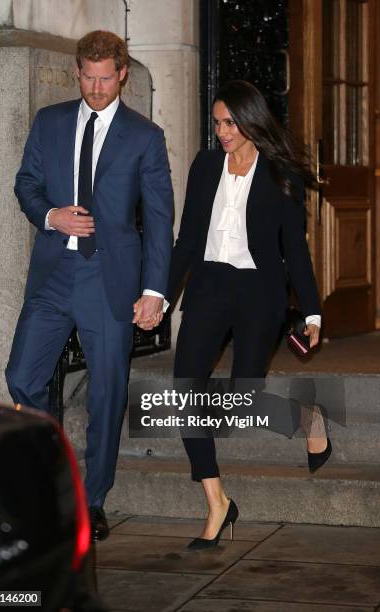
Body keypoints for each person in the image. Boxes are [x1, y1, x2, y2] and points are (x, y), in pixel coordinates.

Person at [5, 30, 173, 541]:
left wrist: (155, 290)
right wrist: (51, 215)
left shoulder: (145, 136)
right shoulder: (50, 122)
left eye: (106, 79)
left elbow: (161, 219)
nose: (97, 88)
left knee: (106, 392)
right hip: (54, 275)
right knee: (22, 376)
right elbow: (26, 183)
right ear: (76, 72)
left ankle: (92, 497)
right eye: (88, 77)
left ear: (122, 74)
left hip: (109, 281)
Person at [167, 80, 331, 550]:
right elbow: (186, 240)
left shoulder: (280, 173)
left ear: (251, 120)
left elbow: (295, 251)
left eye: (230, 122)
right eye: (217, 122)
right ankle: (216, 500)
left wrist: (314, 314)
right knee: (185, 390)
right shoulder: (204, 166)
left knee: (243, 398)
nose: (222, 132)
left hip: (259, 292)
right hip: (209, 287)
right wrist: (159, 293)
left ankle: (305, 417)